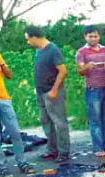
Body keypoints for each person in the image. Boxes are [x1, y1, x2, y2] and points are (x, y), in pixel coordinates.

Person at [0, 30, 35, 177]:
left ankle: (22, 162)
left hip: (3, 97)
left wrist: (1, 63)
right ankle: (1, 165)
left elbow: (9, 75)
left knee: (15, 132)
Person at [25, 26, 71, 163]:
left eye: (28, 39)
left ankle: (64, 152)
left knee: (59, 122)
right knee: (46, 121)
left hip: (52, 92)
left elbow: (63, 71)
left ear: (34, 37)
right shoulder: (38, 51)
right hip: (40, 92)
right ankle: (52, 149)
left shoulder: (53, 50)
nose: (28, 42)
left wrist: (54, 90)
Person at [76, 25, 105, 157]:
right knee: (95, 119)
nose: (93, 38)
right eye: (90, 36)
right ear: (85, 37)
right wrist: (87, 66)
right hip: (92, 88)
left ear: (99, 36)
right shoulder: (81, 52)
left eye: (95, 36)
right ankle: (98, 147)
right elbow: (80, 71)